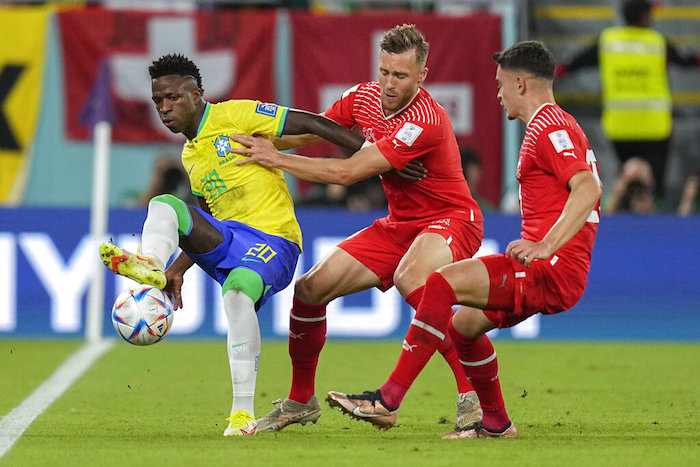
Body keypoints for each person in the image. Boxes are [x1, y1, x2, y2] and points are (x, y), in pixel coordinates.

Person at [324, 40, 602, 439]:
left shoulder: (548, 125)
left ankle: (387, 400)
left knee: (439, 284)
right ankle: (495, 424)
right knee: (462, 329)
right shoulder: (559, 124)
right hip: (549, 270)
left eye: (501, 83)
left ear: (521, 84)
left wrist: (546, 246)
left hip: (547, 270)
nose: (498, 92)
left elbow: (588, 188)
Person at [98, 53, 373, 437]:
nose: (164, 108)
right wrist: (177, 271)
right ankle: (152, 268)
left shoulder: (236, 114)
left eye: (173, 98)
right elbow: (206, 223)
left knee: (237, 294)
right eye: (158, 101)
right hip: (229, 238)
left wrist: (369, 153)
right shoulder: (190, 156)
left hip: (275, 239)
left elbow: (311, 123)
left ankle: (241, 414)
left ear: (197, 95)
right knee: (165, 204)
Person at [230, 24, 484, 435]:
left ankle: (471, 397)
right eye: (384, 71)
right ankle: (300, 401)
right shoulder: (364, 96)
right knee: (310, 290)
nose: (388, 83)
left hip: (451, 218)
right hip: (399, 225)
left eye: (400, 76)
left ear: (421, 75)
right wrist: (254, 142)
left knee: (413, 279)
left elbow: (348, 173)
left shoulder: (425, 120)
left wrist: (275, 161)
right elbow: (314, 131)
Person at [556, 0, 700, 200]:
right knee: (653, 185)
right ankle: (655, 220)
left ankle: (622, 217)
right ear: (643, 17)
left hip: (619, 127)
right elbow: (687, 61)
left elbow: (578, 61)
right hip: (655, 128)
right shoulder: (656, 42)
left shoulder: (608, 41)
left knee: (628, 181)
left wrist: (557, 71)